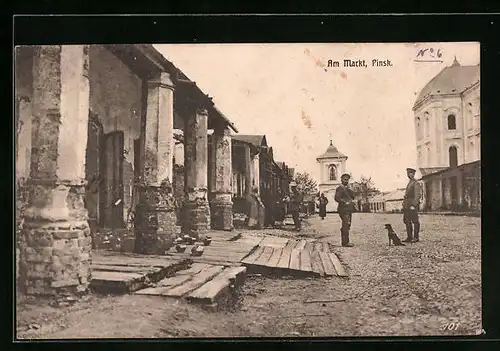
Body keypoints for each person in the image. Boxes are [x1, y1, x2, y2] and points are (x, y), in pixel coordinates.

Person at [334, 173, 356, 247]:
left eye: (347, 180)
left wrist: (350, 189)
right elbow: (337, 198)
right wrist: (344, 202)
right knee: (346, 224)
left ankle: (345, 241)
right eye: (345, 179)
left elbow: (353, 196)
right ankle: (345, 242)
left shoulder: (347, 188)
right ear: (341, 180)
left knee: (348, 224)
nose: (346, 181)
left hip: (349, 209)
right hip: (343, 209)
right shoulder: (340, 188)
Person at [402, 167, 422, 243]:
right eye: (407, 173)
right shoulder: (409, 183)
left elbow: (417, 195)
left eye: (410, 173)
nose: (408, 175)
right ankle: (409, 237)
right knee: (407, 221)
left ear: (413, 174)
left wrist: (414, 205)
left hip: (412, 205)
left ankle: (416, 237)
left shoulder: (415, 183)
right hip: (407, 205)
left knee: (415, 221)